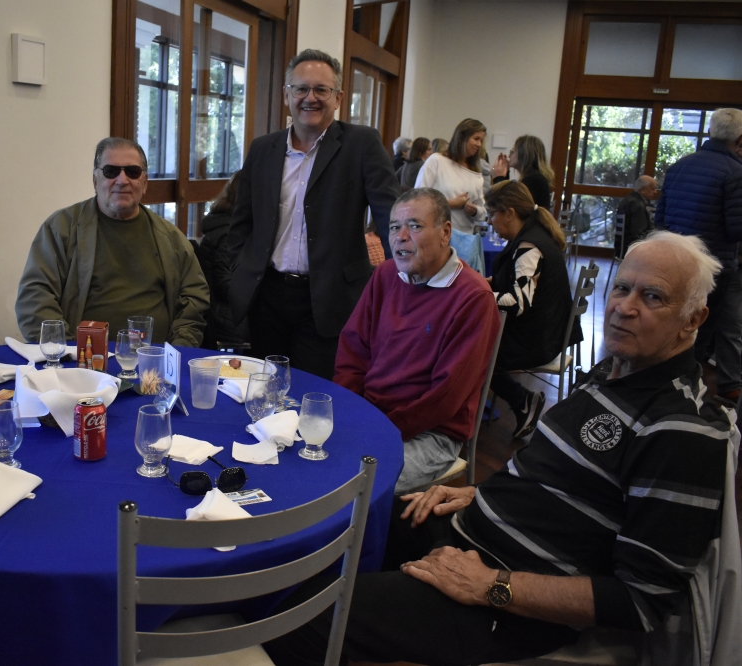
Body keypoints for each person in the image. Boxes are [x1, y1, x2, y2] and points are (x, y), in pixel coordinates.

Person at [265, 230, 741, 666]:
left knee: (302, 618)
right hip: (471, 530)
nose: (624, 307)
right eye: (622, 288)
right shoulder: (612, 374)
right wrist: (477, 494)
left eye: (652, 296)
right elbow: (555, 476)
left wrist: (493, 587)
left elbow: (641, 600)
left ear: (693, 319)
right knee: (308, 549)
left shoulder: (683, 430)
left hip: (513, 601)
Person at [224, 49, 400, 379]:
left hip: (330, 299)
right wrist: (240, 270)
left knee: (314, 394)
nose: (310, 98)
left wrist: (398, 281)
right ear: (286, 95)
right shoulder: (263, 149)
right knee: (263, 389)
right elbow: (241, 223)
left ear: (338, 98)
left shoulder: (361, 144)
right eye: (301, 89)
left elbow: (391, 217)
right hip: (267, 297)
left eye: (321, 89)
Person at [334, 188, 499, 493]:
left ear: (445, 232)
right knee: (306, 458)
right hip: (370, 415)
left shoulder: (473, 297)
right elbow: (353, 351)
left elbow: (444, 398)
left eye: (414, 226)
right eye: (394, 227)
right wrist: (349, 413)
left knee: (351, 485)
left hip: (430, 433)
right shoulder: (385, 275)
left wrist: (377, 430)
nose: (400, 237)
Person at [15, 137, 210, 346]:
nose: (122, 180)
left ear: (144, 183)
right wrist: (68, 352)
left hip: (153, 359)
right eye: (111, 171)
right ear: (95, 180)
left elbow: (194, 300)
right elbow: (34, 299)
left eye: (132, 172)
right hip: (82, 357)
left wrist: (177, 351)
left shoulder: (171, 239)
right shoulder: (61, 229)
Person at [654, 107, 742, 403]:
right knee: (704, 331)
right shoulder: (736, 173)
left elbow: (660, 221)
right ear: (740, 140)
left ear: (709, 132)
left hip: (675, 262)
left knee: (674, 325)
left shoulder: (680, 166)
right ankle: (690, 395)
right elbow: (736, 228)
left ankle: (663, 388)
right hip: (714, 266)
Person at [485, 181, 574, 438]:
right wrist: (484, 283)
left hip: (536, 341)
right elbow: (515, 280)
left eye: (492, 214)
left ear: (510, 213)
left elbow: (518, 301)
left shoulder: (529, 247)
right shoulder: (534, 235)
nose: (490, 221)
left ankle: (521, 400)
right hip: (546, 331)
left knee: (470, 349)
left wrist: (480, 295)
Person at [195, 173, 248, 349]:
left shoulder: (224, 224)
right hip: (225, 319)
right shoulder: (228, 233)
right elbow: (225, 285)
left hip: (222, 314)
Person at [415, 119, 488, 233]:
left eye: (481, 141)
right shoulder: (437, 161)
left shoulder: (475, 172)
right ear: (462, 137)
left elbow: (482, 212)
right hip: (436, 234)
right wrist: (450, 204)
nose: (479, 144)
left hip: (465, 236)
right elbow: (418, 199)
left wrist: (475, 211)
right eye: (476, 139)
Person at [490, 134, 555, 210]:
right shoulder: (533, 178)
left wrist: (498, 178)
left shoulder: (535, 180)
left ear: (524, 154)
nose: (509, 156)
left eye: (512, 152)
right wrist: (504, 175)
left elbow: (506, 206)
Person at [615, 175, 659, 258]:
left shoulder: (627, 200)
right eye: (652, 189)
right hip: (631, 249)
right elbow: (639, 234)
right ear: (643, 189)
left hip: (621, 246)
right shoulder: (638, 205)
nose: (655, 192)